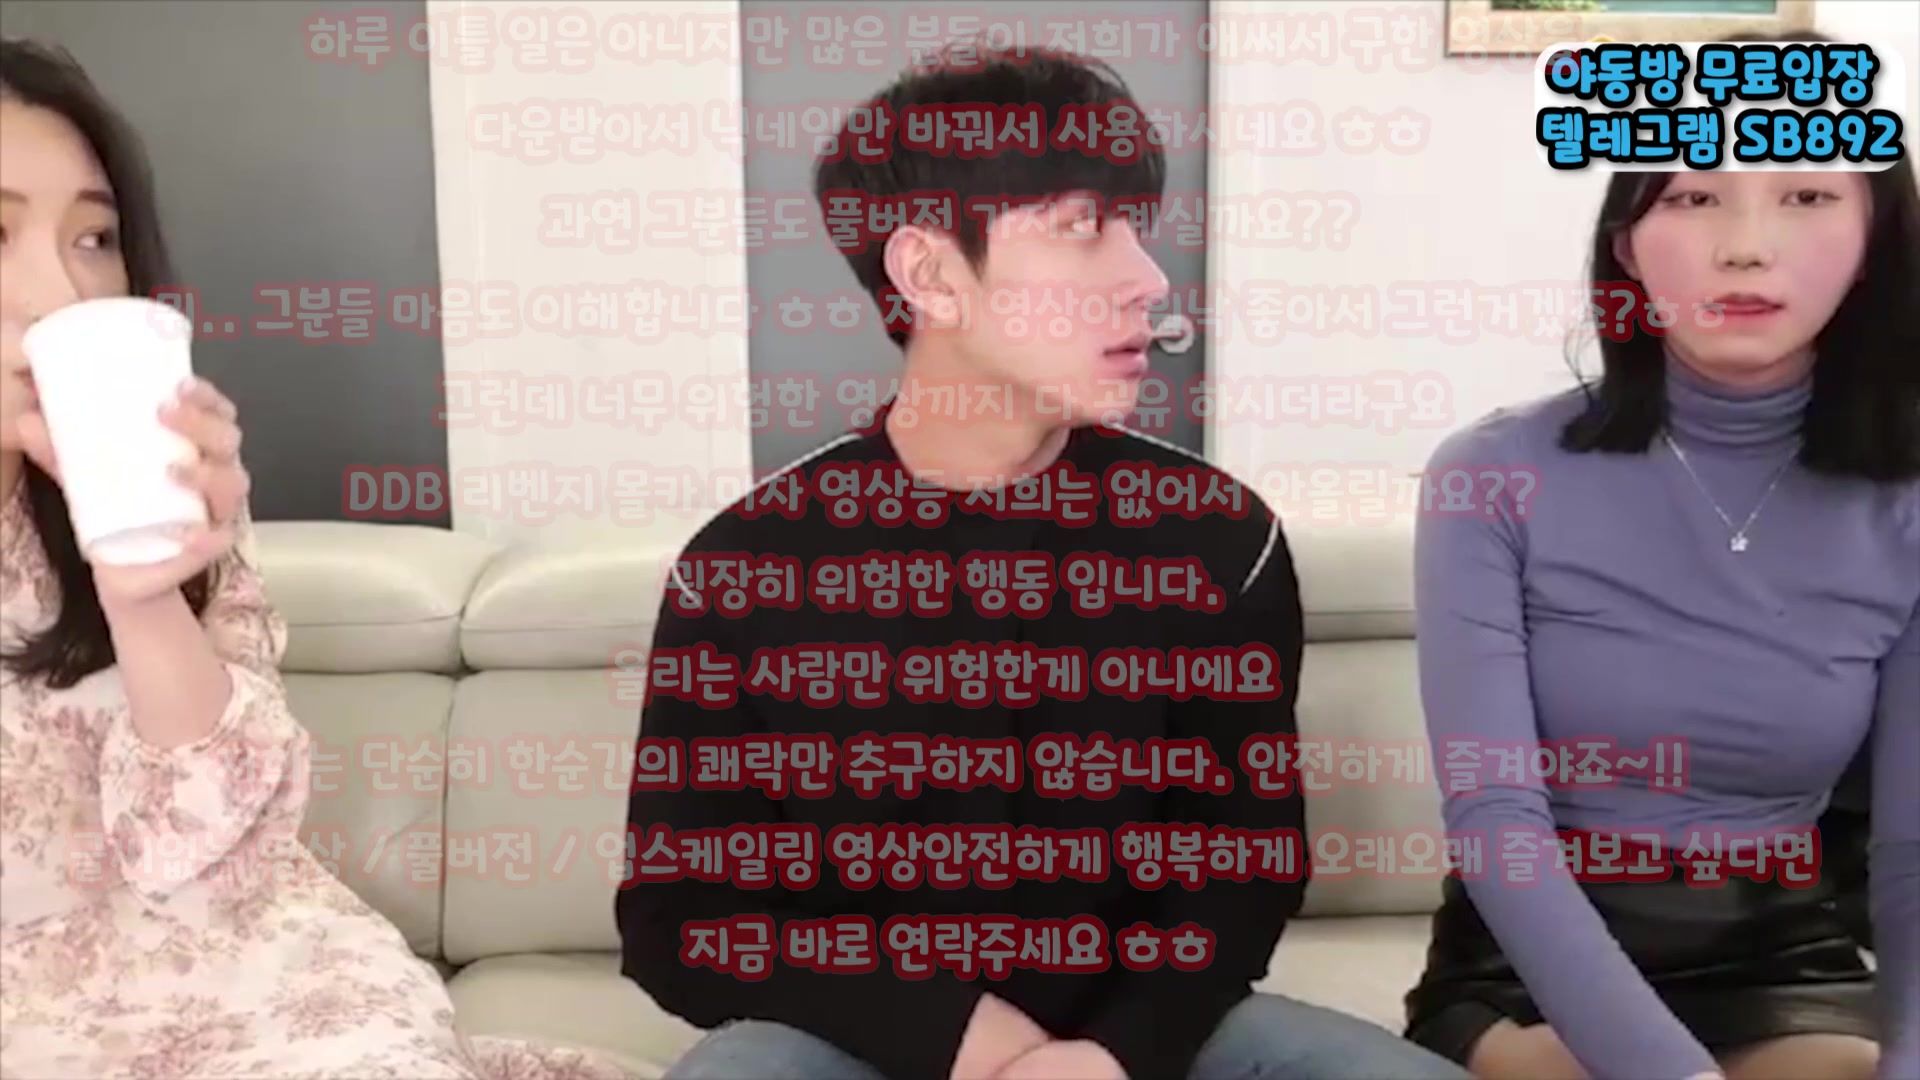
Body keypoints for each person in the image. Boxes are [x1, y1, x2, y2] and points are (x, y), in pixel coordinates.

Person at [616, 44, 1469, 1080]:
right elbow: (682, 916)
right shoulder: (748, 565)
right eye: (1082, 228)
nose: (1147, 280)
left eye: (1135, 230)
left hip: (1150, 1044)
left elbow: (1241, 868)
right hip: (863, 1046)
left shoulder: (1215, 537)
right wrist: (971, 1044)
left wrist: (1105, 1059)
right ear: (931, 275)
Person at [0, 38, 629, 1080]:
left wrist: (143, 595)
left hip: (251, 977)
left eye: (94, 238)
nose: (60, 290)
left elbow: (216, 860)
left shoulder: (175, 490)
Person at [1401, 48, 1920, 1080]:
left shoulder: (1904, 500)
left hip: (1777, 952)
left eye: (1807, 195)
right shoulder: (1491, 476)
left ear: (1873, 241)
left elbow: (1909, 851)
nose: (1746, 249)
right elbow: (1498, 825)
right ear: (1628, 246)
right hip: (1533, 966)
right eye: (1694, 197)